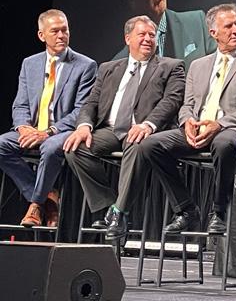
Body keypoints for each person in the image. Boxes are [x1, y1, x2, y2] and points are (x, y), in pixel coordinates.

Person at [140, 3, 236, 234]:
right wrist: (187, 122)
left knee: (223, 143)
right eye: (228, 26)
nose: (235, 30)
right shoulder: (198, 65)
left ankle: (219, 211)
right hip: (198, 128)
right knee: (150, 145)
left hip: (234, 128)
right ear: (213, 33)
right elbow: (187, 105)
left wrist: (219, 124)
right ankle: (186, 209)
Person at [64, 15, 185, 240]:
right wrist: (84, 126)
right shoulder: (109, 68)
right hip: (111, 129)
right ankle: (109, 205)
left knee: (137, 142)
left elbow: (172, 101)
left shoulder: (171, 67)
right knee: (75, 148)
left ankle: (119, 213)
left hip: (143, 131)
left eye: (152, 35)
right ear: (127, 38)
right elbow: (91, 102)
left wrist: (149, 124)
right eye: (142, 35)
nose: (149, 39)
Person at [0, 10, 96, 227]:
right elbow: (20, 104)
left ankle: (35, 205)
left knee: (50, 148)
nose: (62, 35)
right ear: (42, 35)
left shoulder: (85, 66)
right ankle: (47, 195)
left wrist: (48, 132)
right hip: (32, 130)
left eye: (65, 30)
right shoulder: (30, 64)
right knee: (1, 145)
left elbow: (82, 110)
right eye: (55, 31)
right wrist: (23, 127)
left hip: (62, 131)